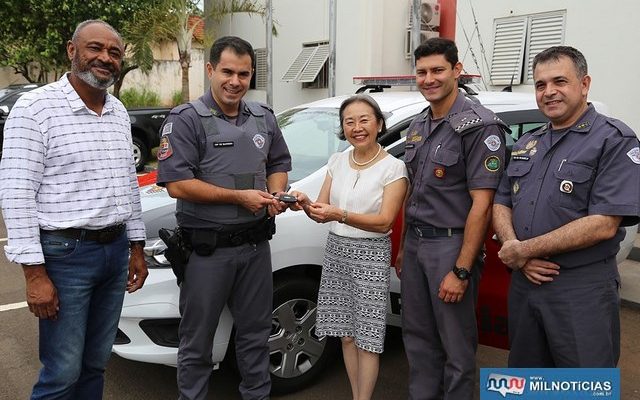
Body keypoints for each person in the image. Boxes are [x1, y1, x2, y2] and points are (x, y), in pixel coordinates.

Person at [0, 20, 148, 399]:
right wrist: (34, 275)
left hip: (114, 254)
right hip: (65, 257)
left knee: (96, 363)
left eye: (114, 52)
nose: (105, 58)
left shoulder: (116, 111)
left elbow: (127, 185)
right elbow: (17, 194)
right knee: (62, 372)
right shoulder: (36, 109)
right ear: (71, 50)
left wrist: (135, 247)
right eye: (95, 48)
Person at [155, 36, 291, 400]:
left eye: (243, 74)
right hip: (207, 252)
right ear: (211, 70)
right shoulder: (187, 119)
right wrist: (238, 197)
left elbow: (278, 163)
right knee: (197, 342)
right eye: (227, 71)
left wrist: (276, 193)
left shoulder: (263, 117)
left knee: (256, 336)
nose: (235, 81)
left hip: (255, 246)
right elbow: (177, 184)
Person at [493, 46, 640, 368]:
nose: (549, 92)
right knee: (528, 379)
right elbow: (502, 200)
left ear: (584, 84)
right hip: (525, 283)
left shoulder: (614, 140)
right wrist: (515, 249)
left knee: (582, 383)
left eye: (559, 81)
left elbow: (604, 222)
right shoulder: (526, 143)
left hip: (580, 287)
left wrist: (524, 251)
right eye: (541, 84)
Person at [394, 38, 508, 399]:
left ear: (456, 71)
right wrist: (403, 248)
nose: (429, 78)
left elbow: (482, 205)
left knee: (456, 348)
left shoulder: (480, 127)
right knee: (417, 337)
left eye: (438, 70)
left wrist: (461, 269)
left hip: (450, 246)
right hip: (416, 246)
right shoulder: (419, 124)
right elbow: (414, 188)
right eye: (422, 72)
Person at [291, 95, 408, 400]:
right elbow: (322, 210)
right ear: (343, 127)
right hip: (336, 253)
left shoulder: (394, 168)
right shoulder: (337, 161)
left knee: (367, 339)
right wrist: (304, 203)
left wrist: (338, 214)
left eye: (364, 120)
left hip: (370, 256)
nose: (357, 127)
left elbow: (384, 223)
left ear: (379, 123)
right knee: (345, 336)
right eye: (349, 121)